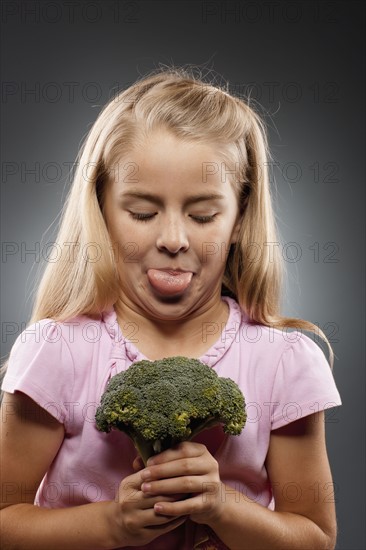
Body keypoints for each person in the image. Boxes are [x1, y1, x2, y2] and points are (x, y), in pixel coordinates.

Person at [0, 66, 342, 550]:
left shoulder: (285, 363)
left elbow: (316, 538)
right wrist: (111, 524)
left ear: (240, 218)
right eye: (142, 212)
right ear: (101, 209)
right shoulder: (56, 351)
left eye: (203, 214)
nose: (173, 240)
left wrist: (223, 505)